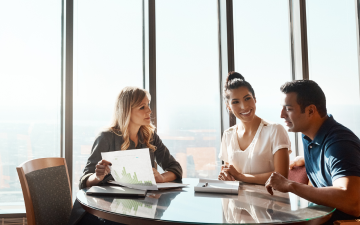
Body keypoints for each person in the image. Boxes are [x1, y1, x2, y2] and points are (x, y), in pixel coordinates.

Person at [68, 86, 182, 225]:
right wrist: (97, 177)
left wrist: (162, 178)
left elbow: (175, 168)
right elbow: (84, 181)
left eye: (148, 105)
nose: (149, 111)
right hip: (98, 213)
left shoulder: (150, 137)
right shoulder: (106, 137)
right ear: (127, 111)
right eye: (142, 107)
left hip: (136, 209)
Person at [265, 80, 360, 224]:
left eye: (288, 109)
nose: (282, 115)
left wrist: (290, 185)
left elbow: (352, 201)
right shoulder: (309, 137)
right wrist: (304, 159)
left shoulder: (339, 143)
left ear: (310, 111)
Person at [218, 72, 291, 184]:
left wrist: (240, 176)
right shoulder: (228, 134)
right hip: (236, 200)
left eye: (247, 98)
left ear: (255, 99)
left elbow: (281, 176)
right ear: (228, 106)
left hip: (270, 201)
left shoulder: (275, 130)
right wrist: (226, 176)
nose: (244, 106)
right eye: (235, 102)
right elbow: (229, 174)